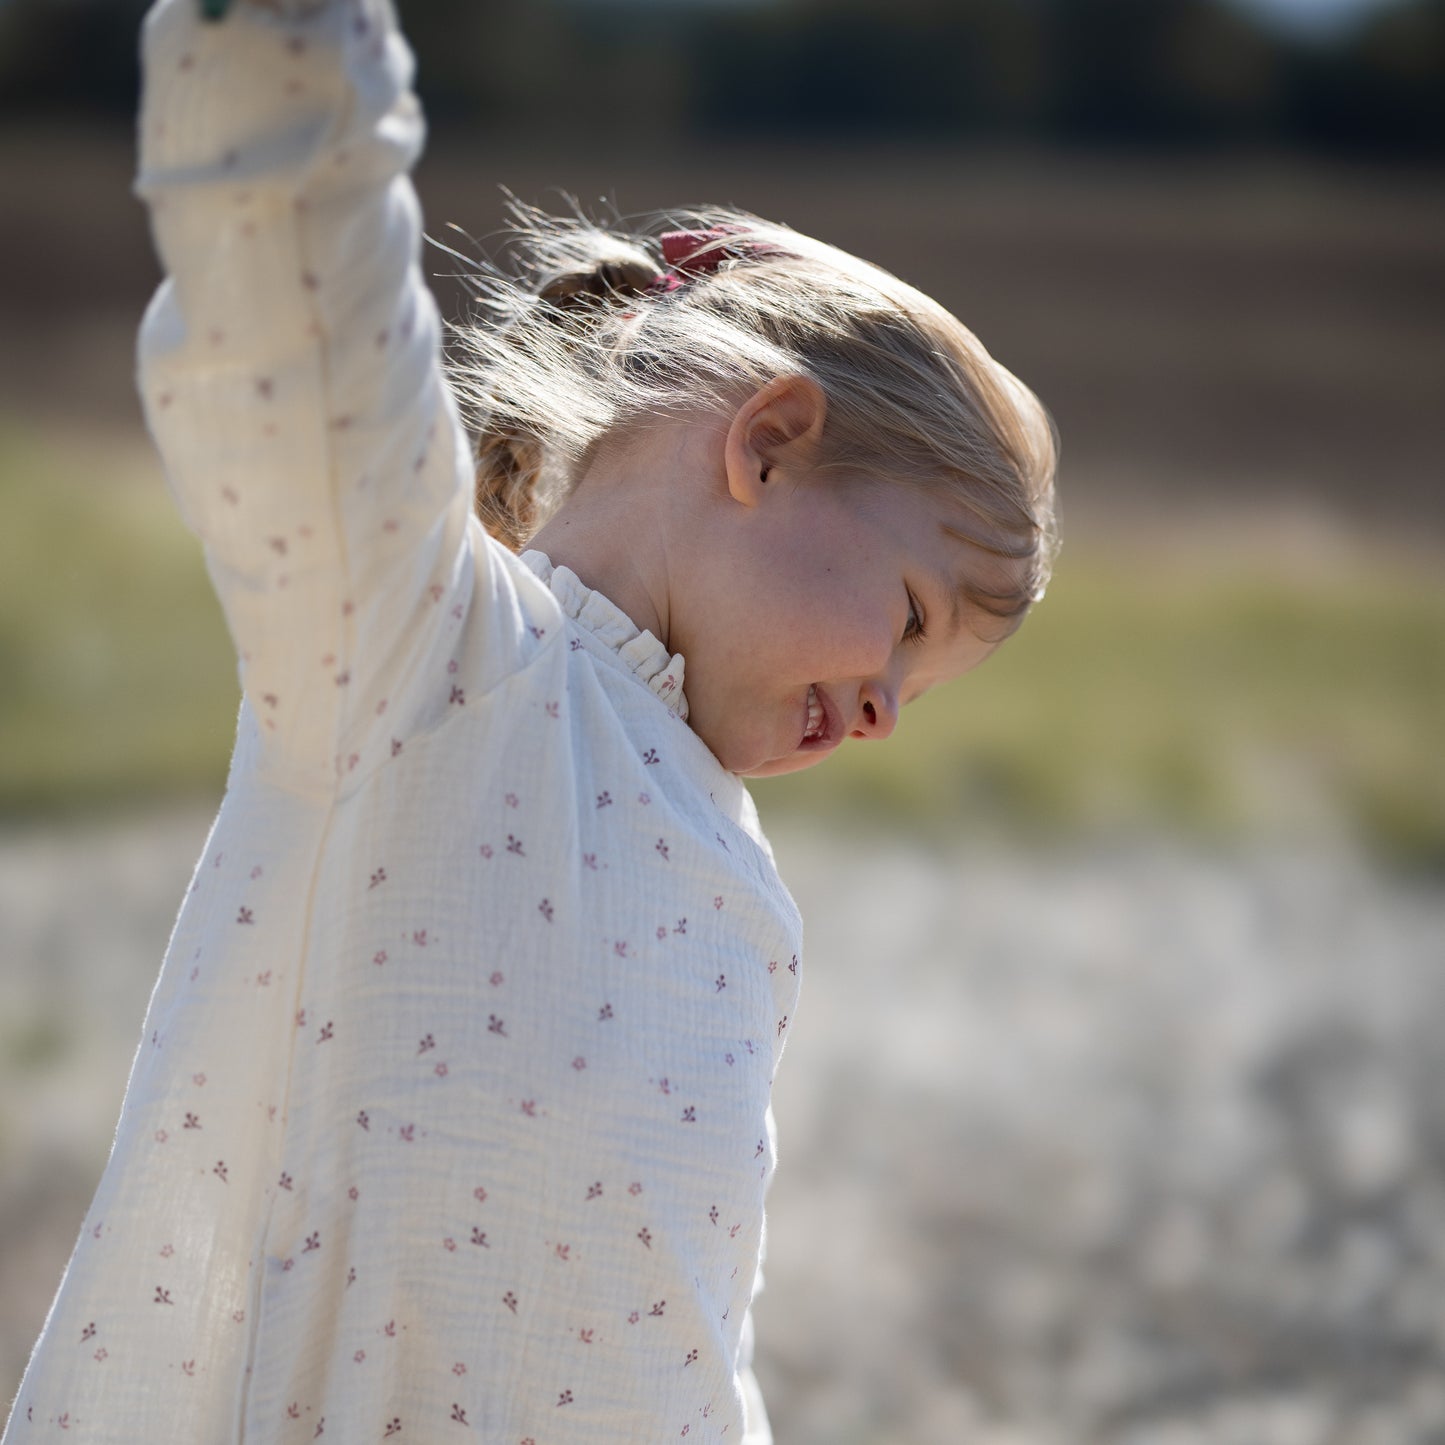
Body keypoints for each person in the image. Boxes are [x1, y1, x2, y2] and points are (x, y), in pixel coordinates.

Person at [3, 0, 1056, 1440]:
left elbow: (689, 1329)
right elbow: (293, 298)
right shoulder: (418, 653)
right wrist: (296, 44)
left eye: (920, 694)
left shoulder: (740, 883)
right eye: (908, 622)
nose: (884, 710)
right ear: (768, 443)